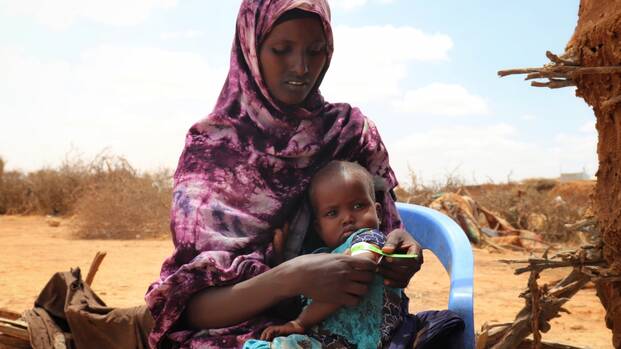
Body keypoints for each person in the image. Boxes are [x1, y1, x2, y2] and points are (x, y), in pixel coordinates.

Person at [145, 1, 445, 348]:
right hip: (239, 334)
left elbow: (385, 230)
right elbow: (190, 310)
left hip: (346, 326)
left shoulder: (351, 134)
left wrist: (402, 251)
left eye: (316, 51)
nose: (302, 67)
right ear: (250, 48)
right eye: (282, 49)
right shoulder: (212, 151)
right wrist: (289, 278)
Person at [251, 160, 416, 348]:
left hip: (374, 340)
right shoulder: (319, 257)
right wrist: (280, 260)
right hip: (333, 341)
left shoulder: (368, 239)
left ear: (378, 213)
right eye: (332, 213)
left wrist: (300, 323)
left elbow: (355, 273)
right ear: (319, 229)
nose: (347, 218)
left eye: (358, 206)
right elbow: (296, 301)